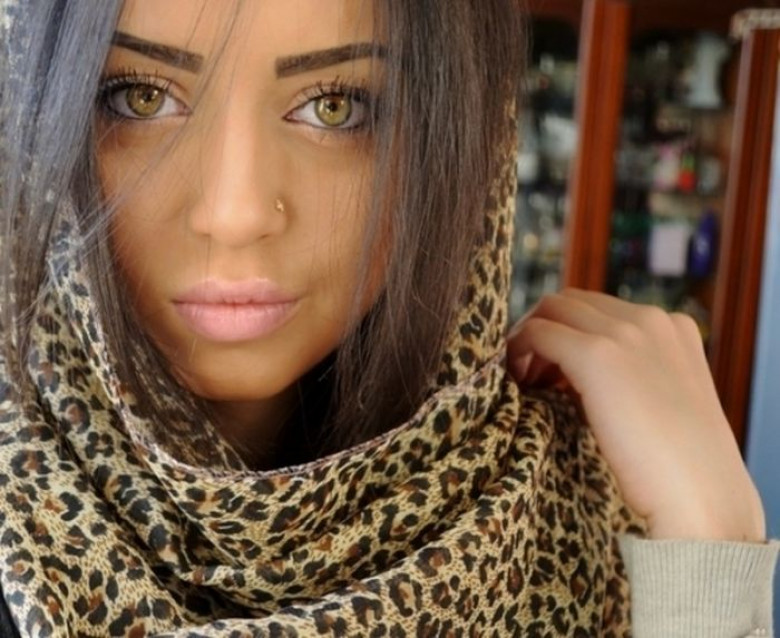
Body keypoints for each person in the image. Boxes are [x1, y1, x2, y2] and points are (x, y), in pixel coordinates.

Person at [0, 1, 775, 636]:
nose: (236, 213)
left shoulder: (582, 527)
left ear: (461, 145)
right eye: (139, 97)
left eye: (335, 106)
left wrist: (708, 548)